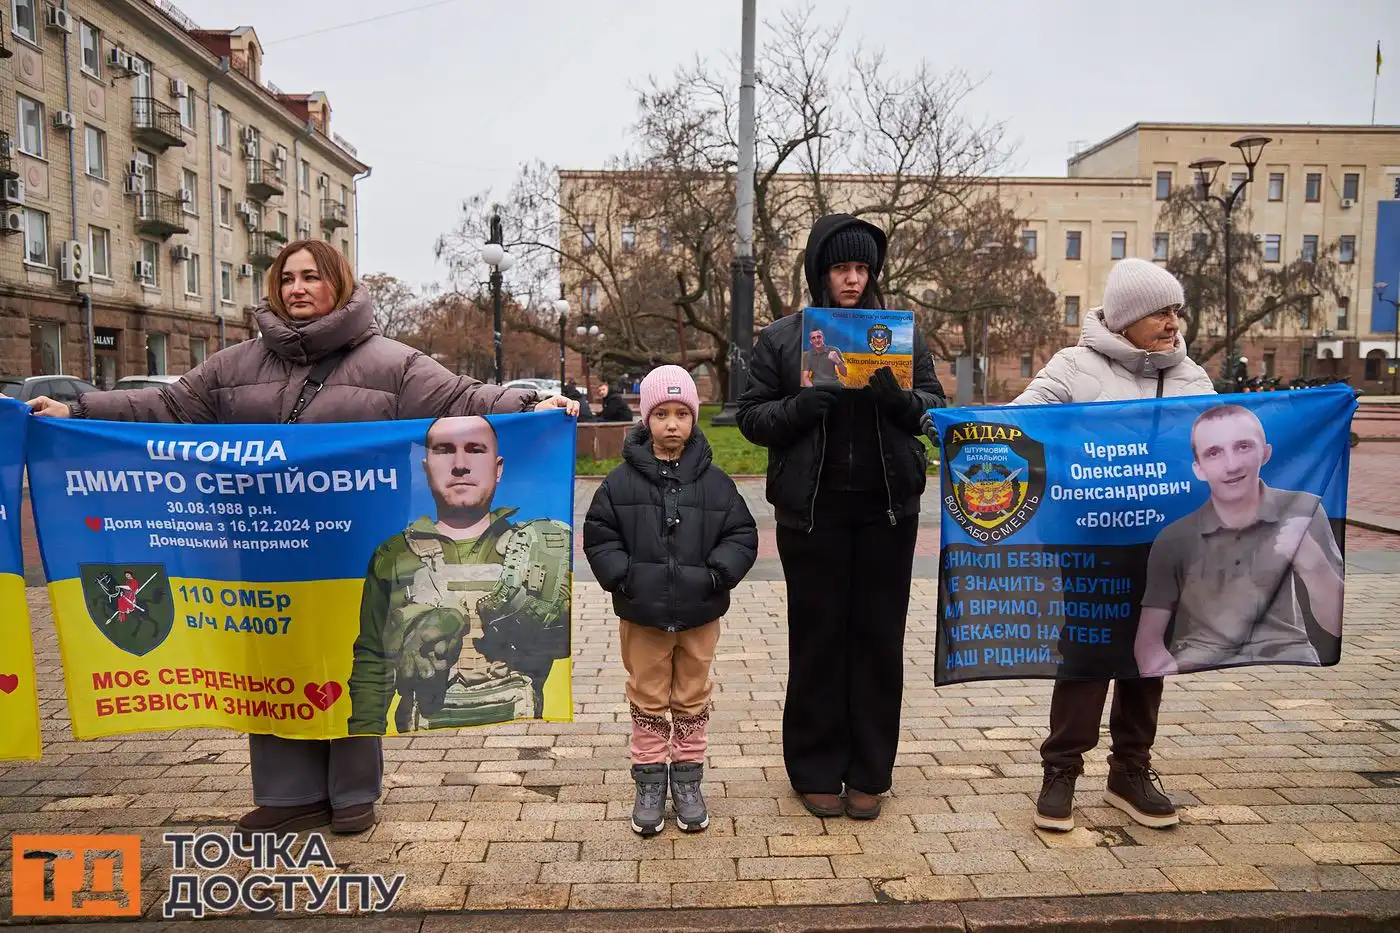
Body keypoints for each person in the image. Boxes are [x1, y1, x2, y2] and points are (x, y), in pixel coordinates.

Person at [25, 239, 578, 837]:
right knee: (272, 662)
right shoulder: (234, 366)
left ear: (337, 284)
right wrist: (77, 412)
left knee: (352, 657)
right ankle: (290, 797)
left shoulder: (393, 364)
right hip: (262, 546)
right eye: (286, 278)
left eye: (312, 277)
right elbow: (164, 405)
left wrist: (531, 403)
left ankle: (351, 793)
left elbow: (462, 400)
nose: (297, 288)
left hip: (352, 547)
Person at [736, 213, 945, 821]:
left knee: (878, 640)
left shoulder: (900, 335)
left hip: (887, 512)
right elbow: (751, 417)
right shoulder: (784, 338)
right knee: (819, 639)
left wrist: (900, 401)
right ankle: (815, 766)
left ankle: (871, 770)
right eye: (841, 268)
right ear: (819, 273)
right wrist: (802, 407)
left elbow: (933, 409)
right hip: (813, 514)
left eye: (861, 269)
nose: (852, 280)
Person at [1011, 256, 1213, 834]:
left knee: (1150, 652)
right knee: (1089, 649)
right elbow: (1020, 425)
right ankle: (1061, 771)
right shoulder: (1072, 367)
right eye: (1160, 312)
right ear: (1126, 319)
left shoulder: (1191, 375)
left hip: (1166, 541)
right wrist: (960, 427)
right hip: (1088, 538)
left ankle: (1130, 770)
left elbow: (1225, 436)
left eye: (1177, 310)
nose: (1174, 322)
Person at [583, 365, 757, 836]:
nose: (673, 424)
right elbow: (600, 534)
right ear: (647, 418)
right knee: (647, 694)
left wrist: (717, 575)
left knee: (693, 695)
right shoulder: (619, 483)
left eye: (683, 413)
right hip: (643, 613)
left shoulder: (717, 483)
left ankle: (687, 778)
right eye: (663, 414)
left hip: (700, 611)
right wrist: (622, 578)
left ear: (695, 419)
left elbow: (740, 532)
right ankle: (649, 780)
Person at [347, 415, 572, 736]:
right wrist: (364, 734)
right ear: (426, 468)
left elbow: (559, 646)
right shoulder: (395, 553)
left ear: (498, 467)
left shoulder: (544, 553)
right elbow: (372, 655)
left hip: (515, 737)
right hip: (421, 747)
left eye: (475, 450)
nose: (460, 465)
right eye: (444, 450)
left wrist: (553, 414)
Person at [1135, 404, 1343, 676]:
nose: (1232, 465)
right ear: (1198, 468)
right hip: (1199, 663)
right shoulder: (1174, 538)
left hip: (1288, 657)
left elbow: (1333, 625)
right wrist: (1166, 669)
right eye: (1214, 452)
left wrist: (1315, 566)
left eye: (1243, 446)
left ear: (1265, 453)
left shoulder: (1303, 510)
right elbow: (1148, 639)